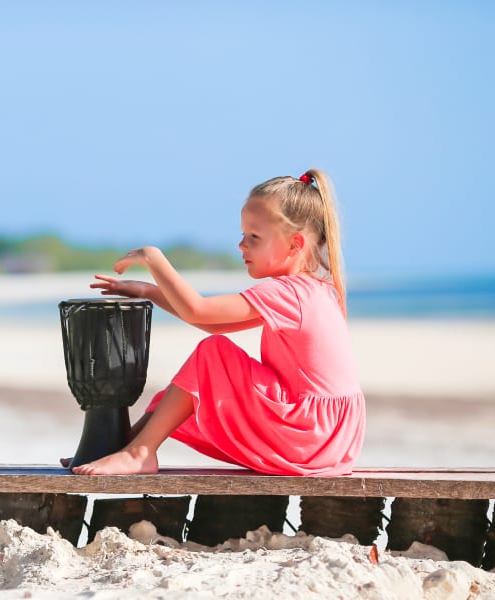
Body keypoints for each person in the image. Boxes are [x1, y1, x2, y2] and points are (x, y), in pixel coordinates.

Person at [69, 169, 365, 476]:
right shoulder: (317, 290)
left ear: (294, 244)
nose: (241, 245)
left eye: (254, 237)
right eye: (242, 235)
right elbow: (215, 323)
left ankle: (141, 452)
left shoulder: (287, 292)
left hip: (306, 435)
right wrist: (148, 292)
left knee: (212, 355)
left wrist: (154, 260)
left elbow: (199, 311)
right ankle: (127, 446)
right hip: (330, 441)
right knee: (195, 377)